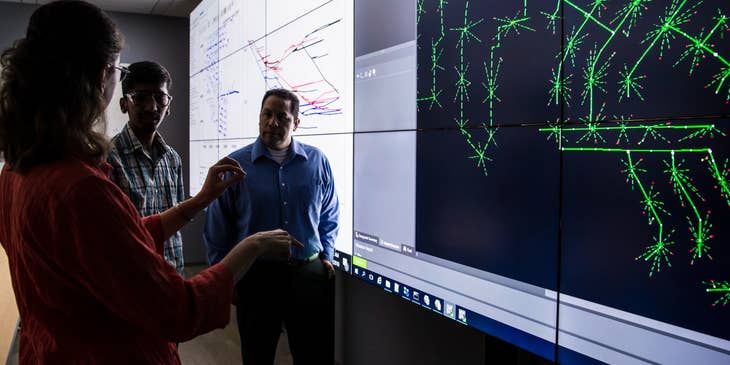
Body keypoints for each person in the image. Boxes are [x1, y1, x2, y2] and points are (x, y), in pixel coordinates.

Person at [0, 1, 300, 364]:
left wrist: (200, 199)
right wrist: (250, 247)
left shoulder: (17, 170)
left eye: (160, 97)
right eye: (119, 70)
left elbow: (113, 241)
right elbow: (179, 311)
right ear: (102, 78)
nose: (152, 106)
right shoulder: (81, 187)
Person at [204, 88, 340, 364]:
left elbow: (329, 211)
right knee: (257, 354)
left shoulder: (316, 161)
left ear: (296, 123)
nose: (272, 122)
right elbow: (218, 226)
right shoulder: (235, 164)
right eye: (267, 114)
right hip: (256, 278)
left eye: (282, 116)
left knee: (315, 353)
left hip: (309, 275)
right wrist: (222, 277)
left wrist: (327, 253)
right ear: (259, 117)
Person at [108, 61, 186, 275]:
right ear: (124, 104)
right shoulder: (109, 158)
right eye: (141, 97)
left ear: (168, 105)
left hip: (172, 279)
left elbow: (177, 223)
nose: (152, 107)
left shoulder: (173, 159)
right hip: (132, 284)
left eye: (160, 98)